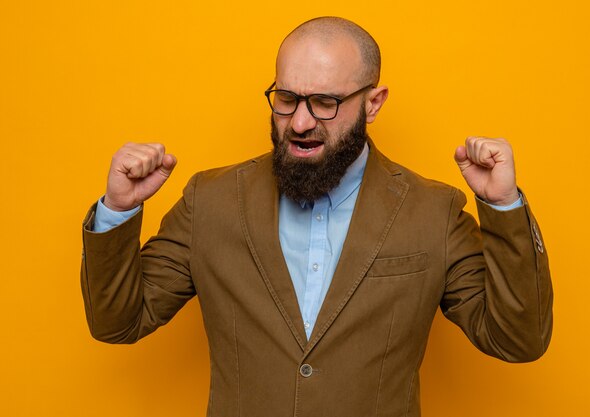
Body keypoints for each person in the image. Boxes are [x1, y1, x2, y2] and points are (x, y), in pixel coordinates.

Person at [80, 16, 553, 417]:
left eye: (326, 103)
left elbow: (518, 341)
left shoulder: (433, 210)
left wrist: (503, 207)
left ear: (373, 102)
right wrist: (119, 209)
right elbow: (119, 322)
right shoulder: (211, 200)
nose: (301, 122)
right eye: (286, 98)